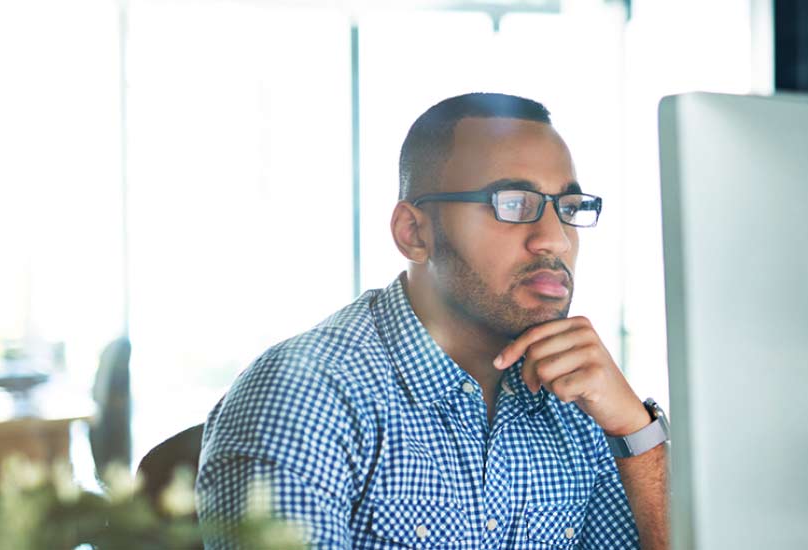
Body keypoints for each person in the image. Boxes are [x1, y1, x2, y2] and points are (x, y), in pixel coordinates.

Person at [197, 92, 669, 549]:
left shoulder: (580, 402)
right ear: (413, 233)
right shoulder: (305, 396)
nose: (555, 240)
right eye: (514, 204)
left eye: (567, 209)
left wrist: (635, 431)